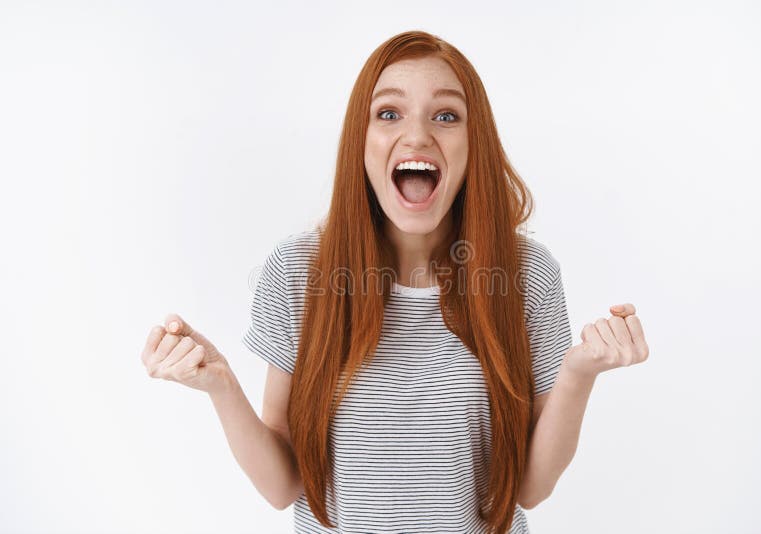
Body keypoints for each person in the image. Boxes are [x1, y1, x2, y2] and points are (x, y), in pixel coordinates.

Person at [140, 30, 649, 534]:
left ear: (476, 145)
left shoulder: (525, 273)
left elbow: (529, 489)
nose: (418, 135)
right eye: (388, 113)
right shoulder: (299, 271)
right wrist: (221, 385)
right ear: (361, 141)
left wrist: (580, 373)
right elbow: (283, 486)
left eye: (446, 116)